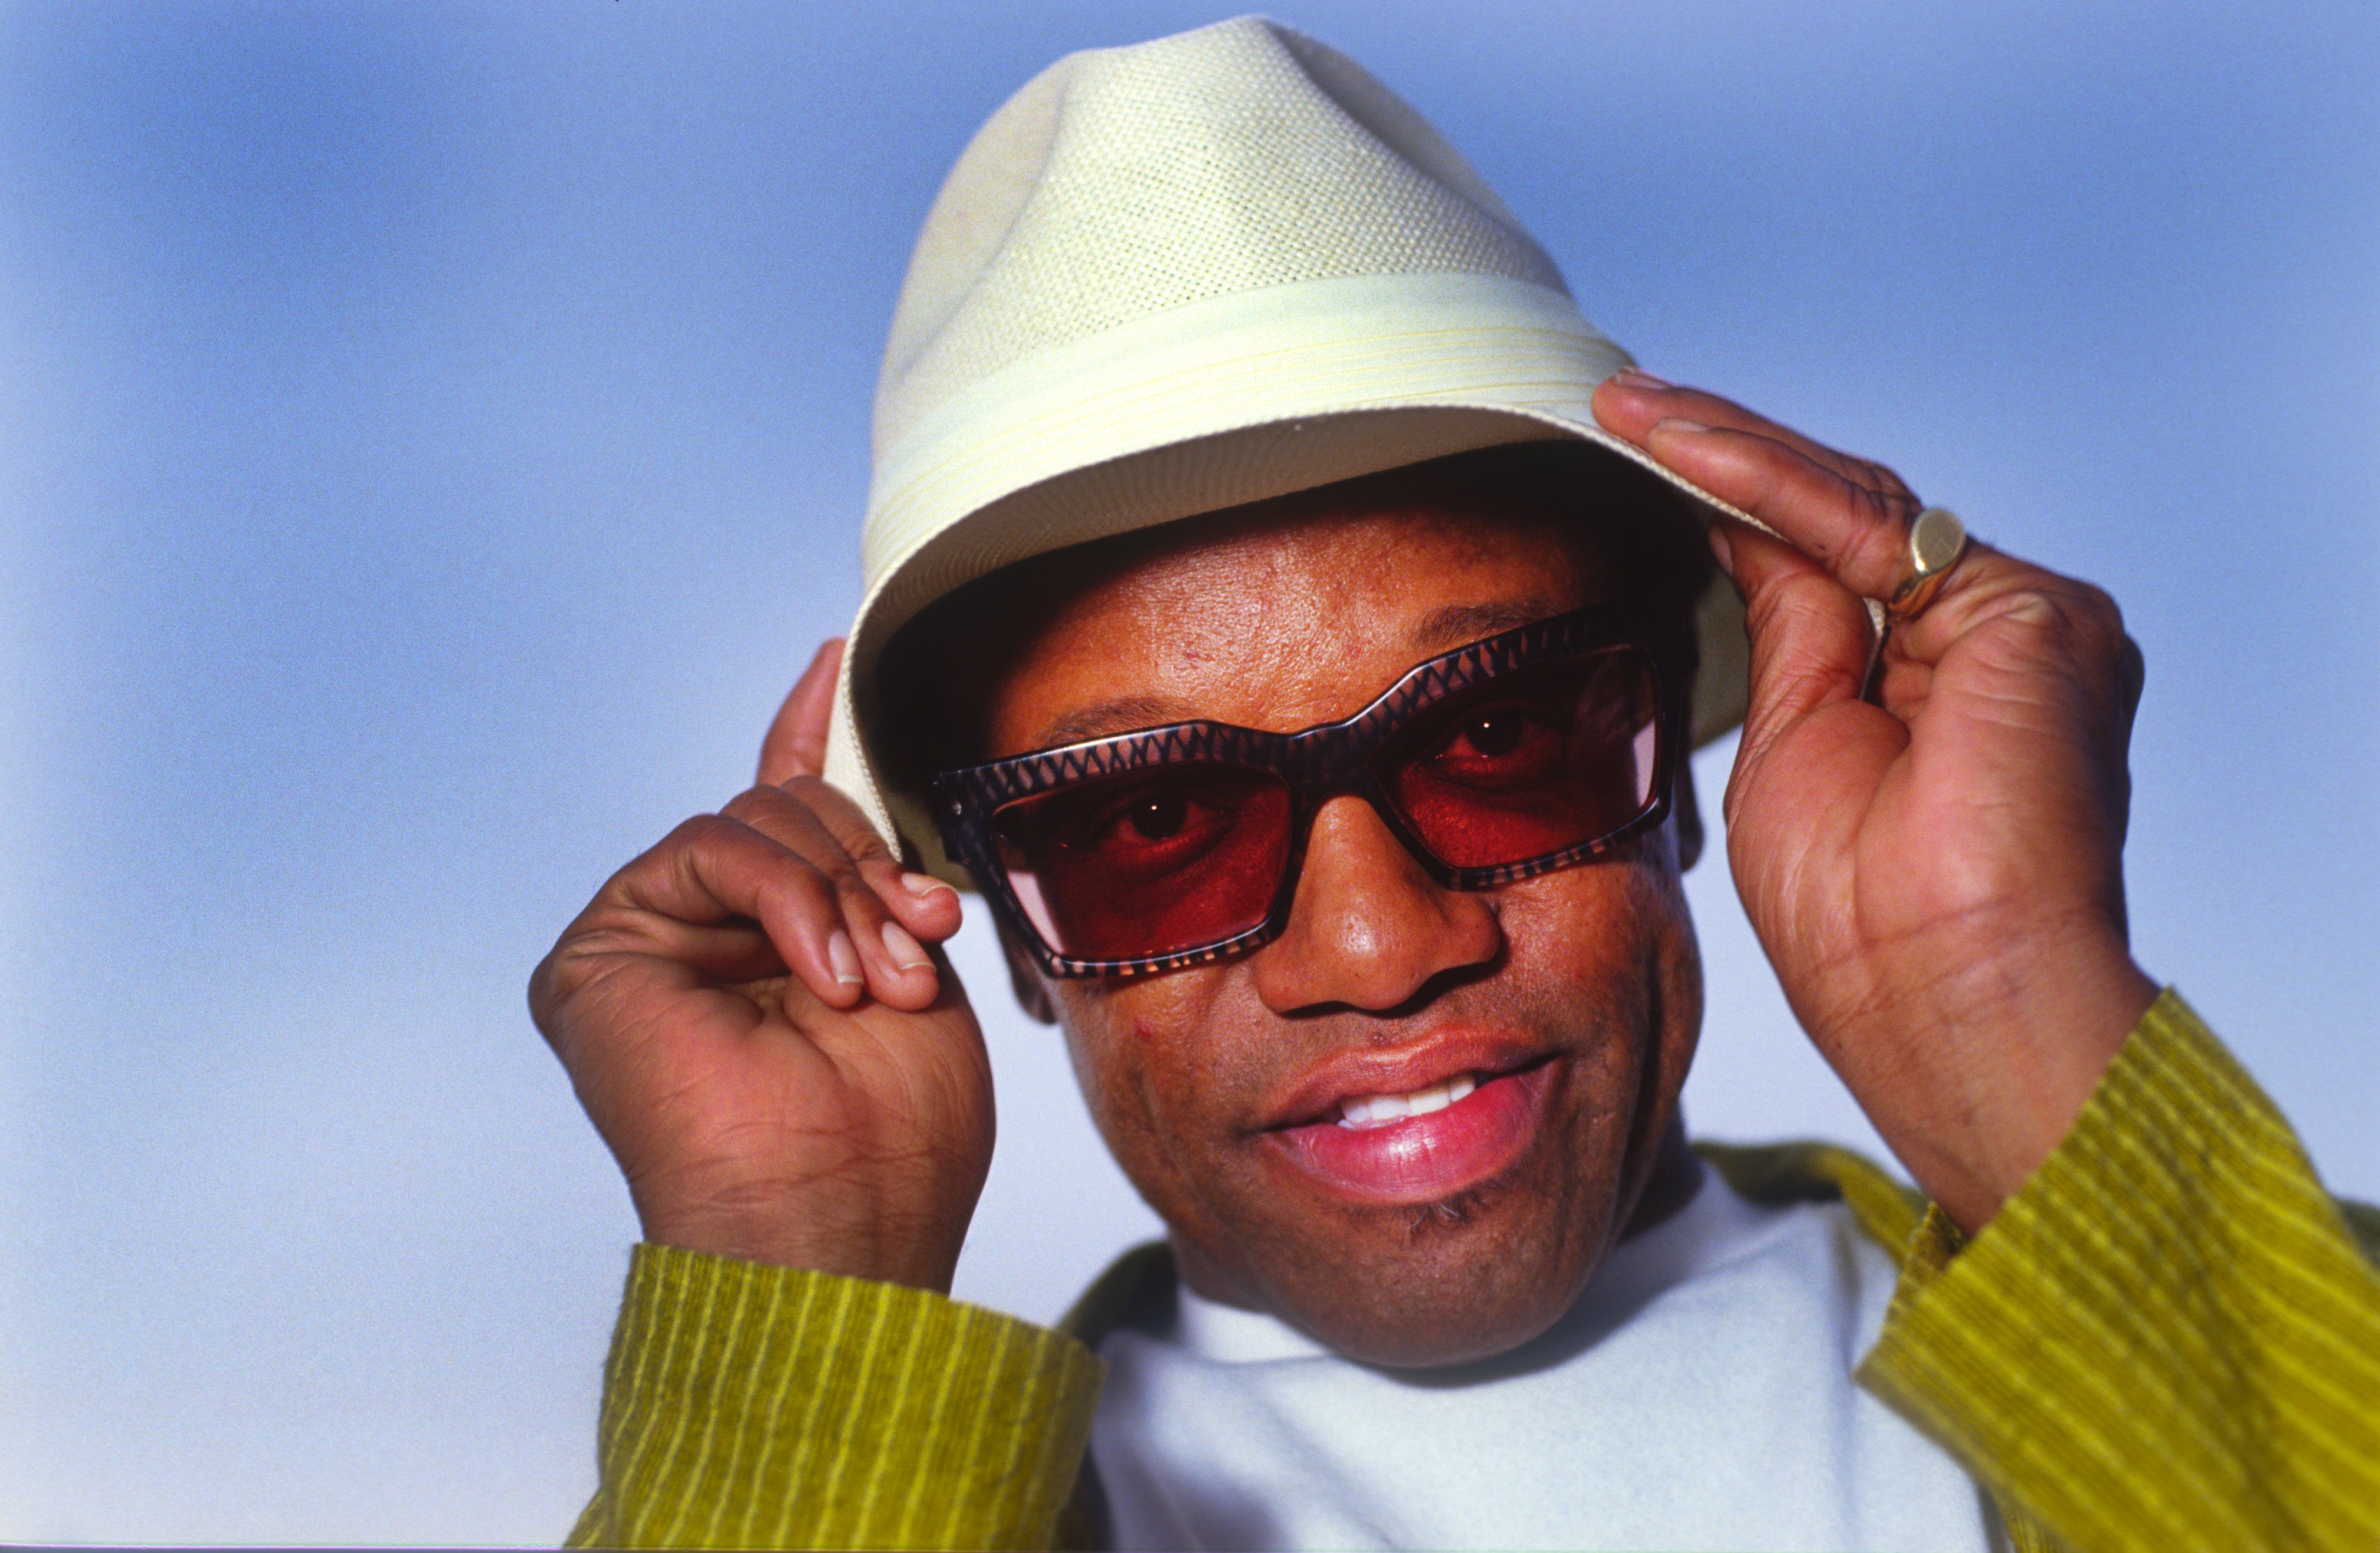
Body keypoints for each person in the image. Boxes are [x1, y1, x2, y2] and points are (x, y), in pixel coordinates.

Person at [530, 18, 2380, 1551]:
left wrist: (2015, 1027)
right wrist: (806, 1293)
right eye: (1150, 824)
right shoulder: (847, 1509)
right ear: (999, 924)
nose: (1376, 942)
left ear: (1669, 754)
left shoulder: (2309, 1332)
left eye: (1493, 735)